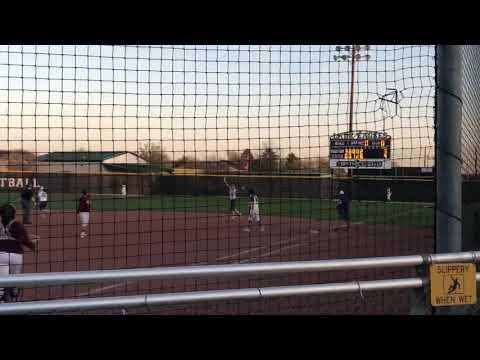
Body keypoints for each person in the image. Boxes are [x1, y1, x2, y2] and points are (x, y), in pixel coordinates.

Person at [0, 204, 37, 302]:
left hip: (1, 255)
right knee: (14, 280)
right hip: (16, 255)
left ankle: (1, 299)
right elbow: (25, 240)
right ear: (14, 214)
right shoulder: (18, 224)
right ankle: (14, 296)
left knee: (2, 281)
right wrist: (33, 246)